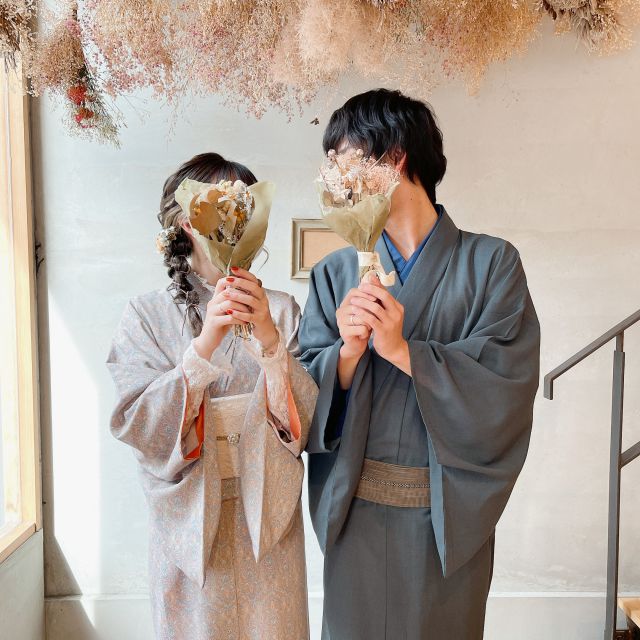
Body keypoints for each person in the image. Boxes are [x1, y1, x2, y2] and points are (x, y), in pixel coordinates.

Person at [299, 89, 541, 639]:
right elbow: (300, 392)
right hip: (355, 514)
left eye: (345, 159)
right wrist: (347, 353)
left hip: (445, 520)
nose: (337, 178)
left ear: (394, 157)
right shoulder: (335, 272)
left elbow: (505, 385)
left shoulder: (492, 263)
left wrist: (403, 351)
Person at [106, 152, 317, 640]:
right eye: (222, 205)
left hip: (267, 511)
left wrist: (269, 339)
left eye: (246, 207)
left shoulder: (280, 309)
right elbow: (136, 421)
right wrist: (204, 346)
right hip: (189, 516)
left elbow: (306, 423)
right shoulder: (145, 315)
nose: (236, 217)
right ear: (187, 220)